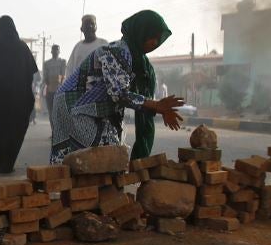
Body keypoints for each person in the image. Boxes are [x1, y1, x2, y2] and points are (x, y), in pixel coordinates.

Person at [51, 10, 184, 164]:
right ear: (141, 32)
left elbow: (135, 97)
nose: (155, 43)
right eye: (152, 37)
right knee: (92, 159)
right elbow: (119, 94)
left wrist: (155, 107)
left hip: (99, 109)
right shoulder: (116, 52)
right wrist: (155, 105)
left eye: (158, 39)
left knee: (113, 154)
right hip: (73, 104)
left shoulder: (142, 65)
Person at [0, 15, 38, 173]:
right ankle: (7, 162)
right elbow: (32, 73)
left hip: (1, 99)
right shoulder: (22, 47)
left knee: (1, 126)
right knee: (16, 130)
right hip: (20, 99)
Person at [42, 44, 66, 132]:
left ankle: (58, 131)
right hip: (50, 90)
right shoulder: (47, 63)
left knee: (59, 112)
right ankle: (54, 131)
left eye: (57, 50)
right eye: (54, 50)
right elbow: (45, 77)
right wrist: (49, 83)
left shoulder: (62, 62)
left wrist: (59, 82)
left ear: (59, 51)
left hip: (59, 90)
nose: (55, 51)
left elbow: (63, 75)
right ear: (51, 51)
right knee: (51, 112)